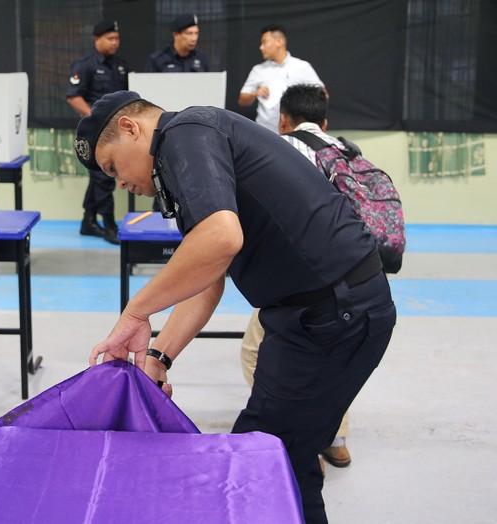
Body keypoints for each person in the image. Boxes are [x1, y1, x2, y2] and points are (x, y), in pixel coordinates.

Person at [75, 90, 396, 523]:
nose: (120, 183)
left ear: (131, 128)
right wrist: (158, 355)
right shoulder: (187, 152)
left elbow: (222, 237)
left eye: (113, 166)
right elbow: (207, 279)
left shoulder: (185, 135)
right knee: (281, 462)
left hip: (334, 313)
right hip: (308, 317)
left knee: (262, 460)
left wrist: (136, 312)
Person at [241, 84, 353, 470]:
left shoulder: (282, 150)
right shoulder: (346, 151)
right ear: (325, 120)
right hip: (357, 277)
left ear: (283, 120)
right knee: (335, 360)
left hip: (300, 282)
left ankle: (292, 440)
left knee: (259, 352)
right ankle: (335, 440)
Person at [67, 20, 128, 245]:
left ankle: (88, 221)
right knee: (104, 177)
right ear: (97, 40)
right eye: (110, 39)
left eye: (117, 38)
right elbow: (73, 97)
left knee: (97, 176)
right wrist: (96, 118)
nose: (115, 43)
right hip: (94, 132)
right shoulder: (85, 64)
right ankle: (110, 225)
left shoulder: (120, 65)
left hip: (115, 131)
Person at [238, 24, 325, 133]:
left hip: (296, 131)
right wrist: (255, 93)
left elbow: (323, 94)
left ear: (279, 41)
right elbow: (242, 100)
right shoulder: (258, 70)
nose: (261, 47)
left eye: (265, 42)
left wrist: (301, 98)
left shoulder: (302, 67)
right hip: (265, 131)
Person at [145, 13, 210, 73]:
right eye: (189, 34)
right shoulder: (157, 60)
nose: (194, 38)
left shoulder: (201, 59)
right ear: (176, 34)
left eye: (196, 33)